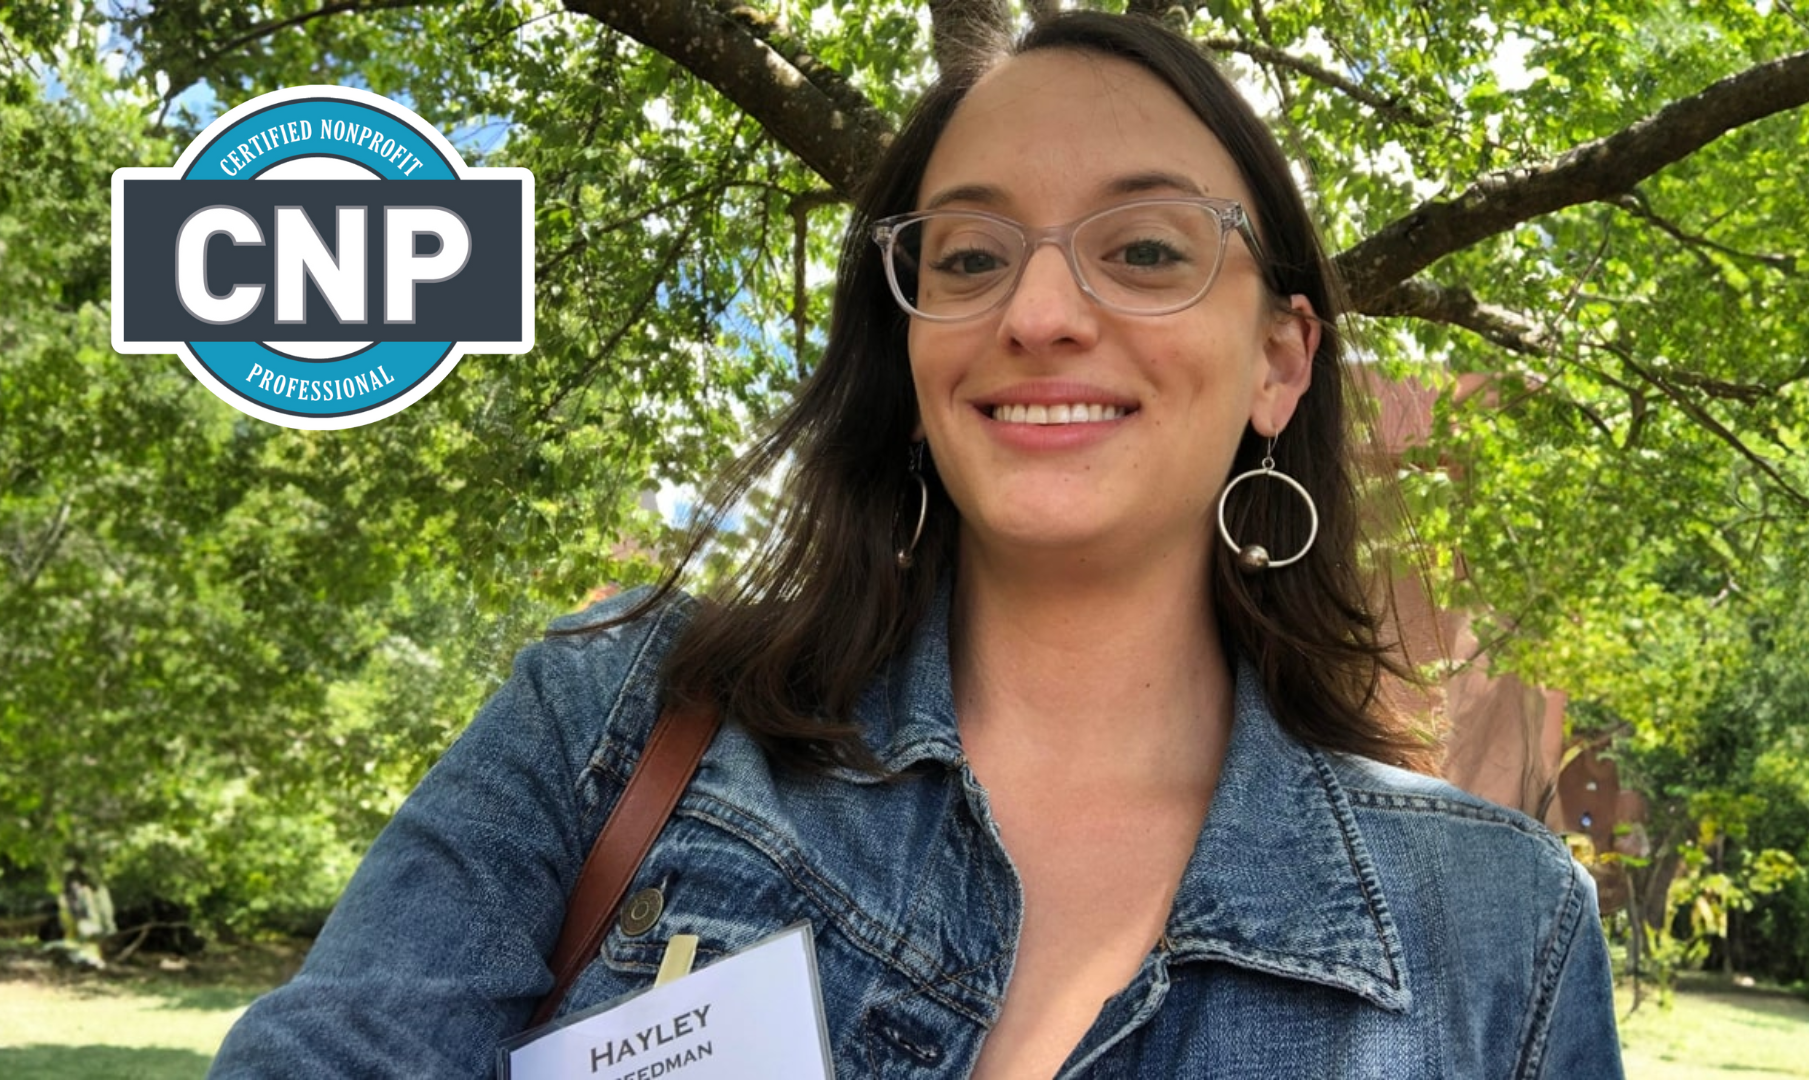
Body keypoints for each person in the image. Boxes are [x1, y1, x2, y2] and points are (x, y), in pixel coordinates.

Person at [211, 12, 1624, 1078]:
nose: (1042, 312)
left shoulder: (1503, 934)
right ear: (912, 346)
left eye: (1143, 249)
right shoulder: (608, 719)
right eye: (968, 255)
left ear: (1279, 359)